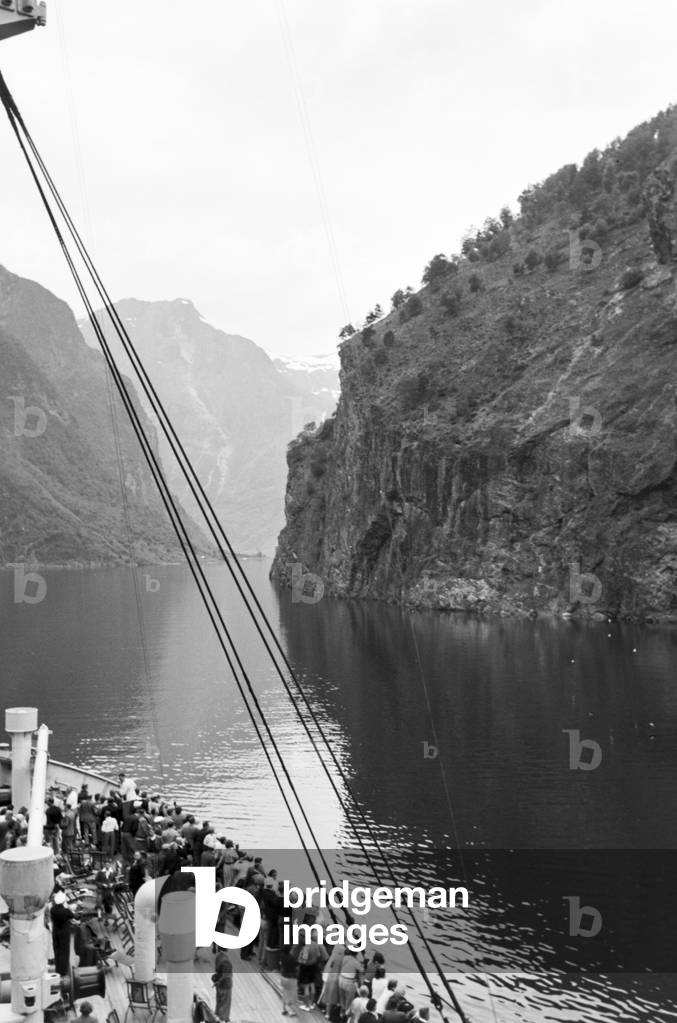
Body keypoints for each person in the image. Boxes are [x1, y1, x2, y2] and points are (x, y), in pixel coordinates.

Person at [50, 891, 76, 976]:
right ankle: (63, 970)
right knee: (64, 951)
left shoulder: (52, 910)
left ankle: (58, 968)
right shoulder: (65, 911)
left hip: (56, 931)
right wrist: (68, 907)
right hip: (64, 932)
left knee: (57, 949)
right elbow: (73, 915)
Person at [338, 949, 362, 1017]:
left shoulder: (345, 957)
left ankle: (341, 1012)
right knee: (349, 998)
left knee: (342, 997)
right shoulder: (356, 962)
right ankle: (346, 1013)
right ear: (356, 954)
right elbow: (362, 970)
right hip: (349, 981)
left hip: (341, 978)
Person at [212, 947, 233, 1023]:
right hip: (225, 985)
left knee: (219, 1002)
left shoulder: (219, 956)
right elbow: (226, 975)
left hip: (219, 985)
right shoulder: (226, 961)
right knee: (225, 1004)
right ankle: (222, 1019)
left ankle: (217, 1017)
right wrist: (219, 982)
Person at [280, 945, 299, 1017]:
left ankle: (284, 1009)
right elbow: (297, 965)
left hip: (283, 977)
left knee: (285, 993)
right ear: (289, 950)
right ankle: (290, 1011)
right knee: (291, 995)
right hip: (291, 978)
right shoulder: (291, 958)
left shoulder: (282, 956)